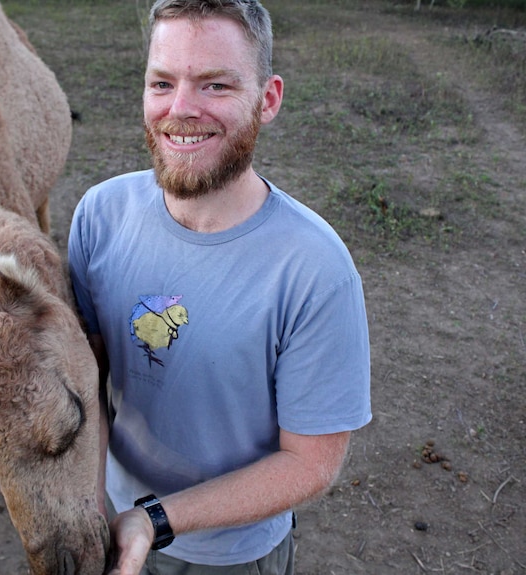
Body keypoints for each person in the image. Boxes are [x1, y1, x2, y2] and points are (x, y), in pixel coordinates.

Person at [67, 1, 372, 573]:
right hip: (108, 523)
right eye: (163, 82)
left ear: (269, 99)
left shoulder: (316, 270)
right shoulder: (99, 216)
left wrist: (154, 518)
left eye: (215, 85)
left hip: (231, 555)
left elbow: (310, 464)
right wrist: (91, 508)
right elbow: (90, 380)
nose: (180, 109)